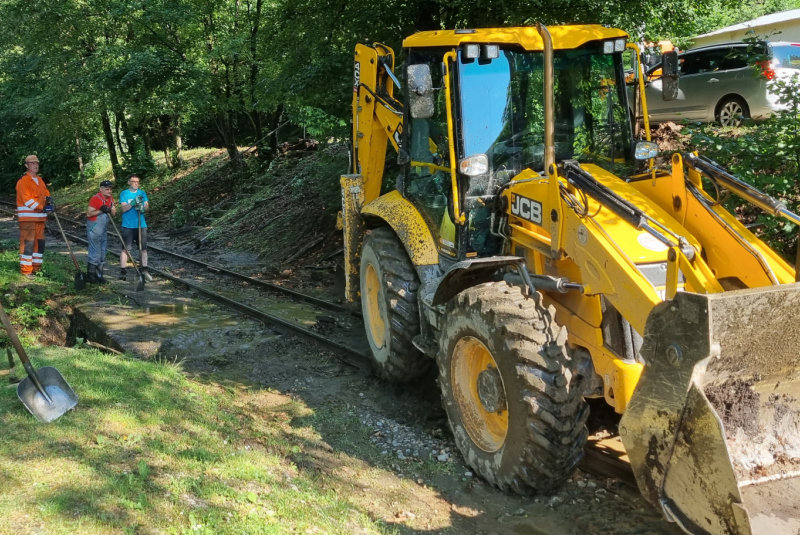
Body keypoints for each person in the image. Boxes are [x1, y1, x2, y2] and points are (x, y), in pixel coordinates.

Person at [15, 155, 52, 279]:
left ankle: (36, 268)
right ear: (27, 165)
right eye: (32, 163)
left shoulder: (40, 180)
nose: (35, 165)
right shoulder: (23, 181)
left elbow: (46, 194)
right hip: (28, 219)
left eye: (37, 163)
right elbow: (27, 200)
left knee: (40, 243)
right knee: (28, 244)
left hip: (40, 219)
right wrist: (43, 207)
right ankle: (26, 270)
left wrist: (49, 201)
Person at [118, 174, 152, 281]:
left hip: (141, 225)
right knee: (125, 249)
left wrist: (142, 206)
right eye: (133, 181)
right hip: (128, 225)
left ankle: (145, 270)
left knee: (143, 249)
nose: (135, 183)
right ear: (129, 182)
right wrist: (133, 203)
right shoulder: (124, 193)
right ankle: (123, 271)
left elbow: (147, 208)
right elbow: (124, 208)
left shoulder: (142, 193)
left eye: (137, 181)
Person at [86, 180, 116, 283]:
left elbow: (113, 214)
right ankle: (91, 276)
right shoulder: (96, 199)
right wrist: (101, 210)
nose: (109, 191)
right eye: (107, 189)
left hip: (103, 228)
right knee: (96, 251)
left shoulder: (110, 199)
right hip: (94, 226)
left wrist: (111, 209)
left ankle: (99, 275)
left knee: (103, 251)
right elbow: (89, 214)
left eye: (110, 189)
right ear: (101, 189)